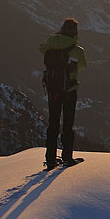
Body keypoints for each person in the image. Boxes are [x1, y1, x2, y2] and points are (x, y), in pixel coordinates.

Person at [39, 18, 87, 169]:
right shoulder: (77, 51)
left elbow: (41, 49)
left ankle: (50, 159)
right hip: (69, 89)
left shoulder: (50, 42)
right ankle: (67, 157)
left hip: (52, 87)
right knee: (68, 123)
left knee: (53, 122)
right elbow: (83, 65)